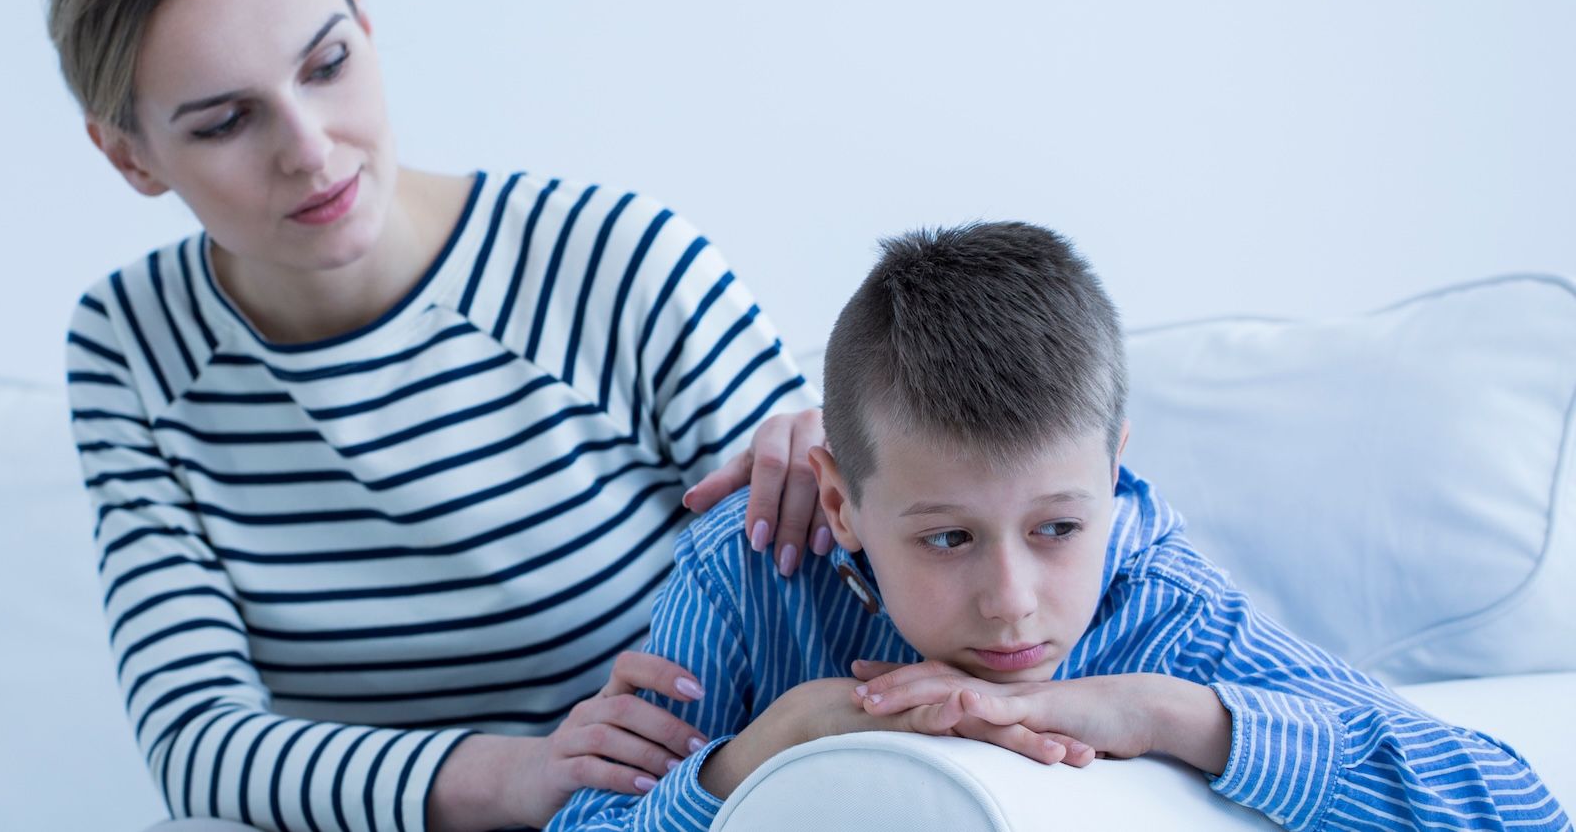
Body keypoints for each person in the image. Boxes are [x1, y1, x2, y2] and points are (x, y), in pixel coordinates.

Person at [50, 0, 826, 831]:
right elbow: (195, 739)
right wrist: (519, 772)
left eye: (326, 65)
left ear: (365, 23)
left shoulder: (611, 261)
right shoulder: (130, 343)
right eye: (225, 120)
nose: (308, 148)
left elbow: (837, 583)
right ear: (128, 154)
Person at [547, 222, 1569, 832]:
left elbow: (1520, 808)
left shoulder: (1159, 600)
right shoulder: (748, 567)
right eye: (947, 537)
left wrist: (1164, 713)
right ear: (842, 500)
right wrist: (778, 739)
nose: (1012, 602)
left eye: (1058, 527)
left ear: (1113, 475)